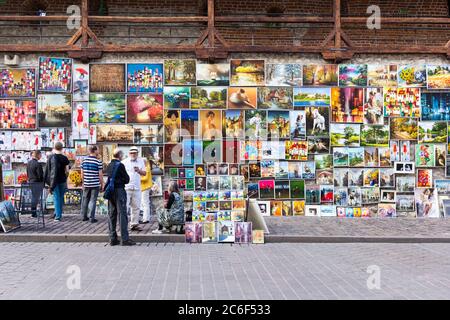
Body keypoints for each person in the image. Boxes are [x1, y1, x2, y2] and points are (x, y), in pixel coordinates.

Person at [105, 149, 135, 246]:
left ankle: (112, 238)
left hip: (111, 192)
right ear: (120, 155)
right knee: (122, 214)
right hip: (119, 191)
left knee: (111, 214)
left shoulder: (109, 165)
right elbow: (126, 179)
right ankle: (124, 239)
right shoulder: (120, 165)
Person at [44, 142, 70, 222]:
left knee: (56, 197)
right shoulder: (65, 158)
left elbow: (48, 170)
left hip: (54, 180)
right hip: (62, 179)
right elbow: (67, 170)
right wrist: (66, 177)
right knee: (60, 197)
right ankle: (58, 212)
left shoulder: (51, 157)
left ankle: (58, 216)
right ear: (62, 148)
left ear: (54, 148)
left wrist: (48, 181)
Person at [122, 146, 146, 231]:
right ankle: (123, 224)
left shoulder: (141, 161)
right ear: (129, 153)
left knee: (136, 206)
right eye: (131, 153)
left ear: (137, 153)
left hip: (136, 187)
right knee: (125, 206)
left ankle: (134, 224)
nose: (133, 154)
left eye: (135, 153)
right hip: (127, 187)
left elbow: (144, 173)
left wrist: (139, 170)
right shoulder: (124, 162)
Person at [80, 145, 104, 223]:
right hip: (95, 184)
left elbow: (82, 173)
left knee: (85, 199)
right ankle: (91, 217)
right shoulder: (98, 161)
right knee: (93, 200)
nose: (98, 151)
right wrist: (102, 184)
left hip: (86, 183)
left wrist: (83, 182)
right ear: (95, 151)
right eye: (97, 150)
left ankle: (84, 216)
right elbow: (100, 175)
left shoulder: (84, 160)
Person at [26, 150, 44, 218]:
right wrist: (43, 183)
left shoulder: (29, 163)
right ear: (38, 155)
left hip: (31, 182)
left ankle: (33, 212)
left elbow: (27, 173)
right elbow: (40, 175)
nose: (41, 156)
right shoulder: (38, 164)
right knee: (35, 198)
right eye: (40, 155)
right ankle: (34, 213)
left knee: (34, 197)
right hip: (37, 183)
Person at [140, 158, 153, 224]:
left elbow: (145, 178)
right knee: (144, 203)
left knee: (145, 203)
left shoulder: (146, 168)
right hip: (143, 188)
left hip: (145, 187)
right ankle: (144, 218)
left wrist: (138, 177)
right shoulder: (145, 168)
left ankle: (146, 219)